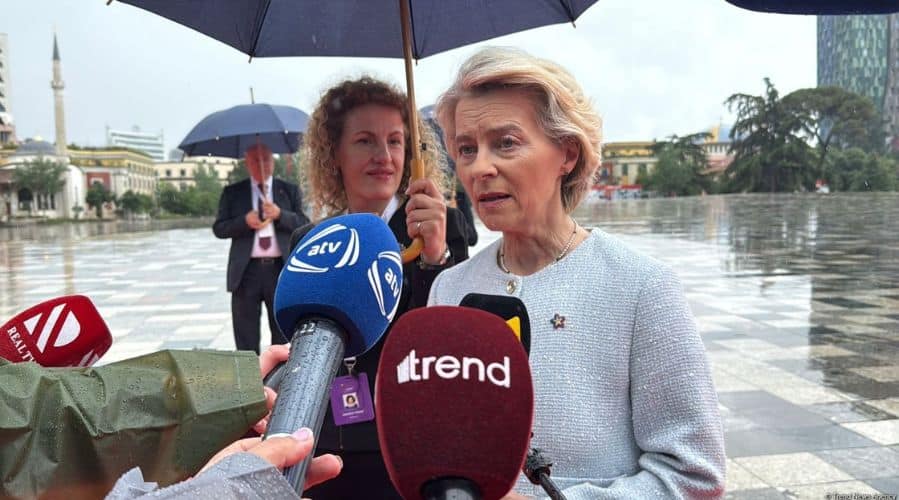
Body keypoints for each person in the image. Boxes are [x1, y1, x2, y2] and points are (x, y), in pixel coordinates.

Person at [428, 47, 726, 499]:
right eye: (466, 149)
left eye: (506, 143)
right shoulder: (448, 289)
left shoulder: (641, 287)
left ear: (567, 152)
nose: (480, 167)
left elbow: (694, 475)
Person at [292, 76, 470, 499]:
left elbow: (451, 343)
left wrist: (434, 259)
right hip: (328, 444)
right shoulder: (310, 241)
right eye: (365, 141)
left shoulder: (440, 230)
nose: (384, 157)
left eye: (395, 141)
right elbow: (296, 352)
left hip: (410, 440)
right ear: (334, 154)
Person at [213, 143, 309, 353]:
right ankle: (249, 373)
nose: (262, 164)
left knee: (283, 333)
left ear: (273, 161)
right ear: (247, 163)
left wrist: (280, 214)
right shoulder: (233, 193)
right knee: (245, 334)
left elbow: (304, 223)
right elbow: (219, 228)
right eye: (255, 160)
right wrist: (244, 221)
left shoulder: (289, 190)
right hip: (246, 272)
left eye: (266, 159)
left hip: (280, 270)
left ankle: (280, 373)